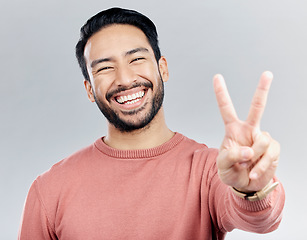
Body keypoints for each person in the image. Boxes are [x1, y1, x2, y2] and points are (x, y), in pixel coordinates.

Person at [18, 7, 285, 240]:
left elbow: (261, 220)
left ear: (163, 68)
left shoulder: (209, 170)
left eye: (136, 59)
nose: (124, 78)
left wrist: (252, 189)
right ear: (89, 89)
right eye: (104, 68)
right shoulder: (49, 189)